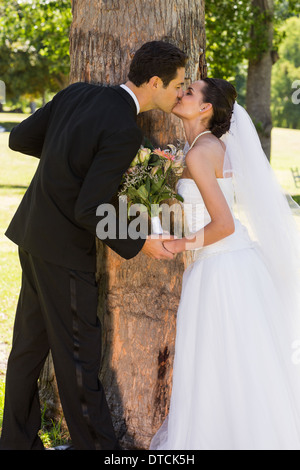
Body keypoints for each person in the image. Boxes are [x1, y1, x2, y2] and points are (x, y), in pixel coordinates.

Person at [0, 41, 187, 451]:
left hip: (31, 236)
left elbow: (20, 138)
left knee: (28, 351)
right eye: (177, 85)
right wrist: (141, 242)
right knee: (80, 360)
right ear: (155, 82)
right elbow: (90, 208)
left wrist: (63, 159)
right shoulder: (124, 130)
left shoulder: (77, 92)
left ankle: (15, 442)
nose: (180, 93)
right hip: (65, 254)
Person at [150, 78, 300, 450]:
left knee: (224, 362)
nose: (180, 93)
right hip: (233, 263)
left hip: (221, 268)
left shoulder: (199, 152)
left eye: (189, 91)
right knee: (235, 362)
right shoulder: (204, 146)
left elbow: (224, 224)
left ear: (205, 109)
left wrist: (179, 243)